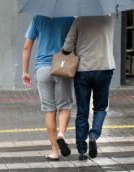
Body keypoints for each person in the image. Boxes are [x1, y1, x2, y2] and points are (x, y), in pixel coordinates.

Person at [62, 15, 115, 161]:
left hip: (83, 70)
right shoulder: (110, 19)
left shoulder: (79, 20)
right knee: (100, 107)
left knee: (82, 111)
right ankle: (93, 135)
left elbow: (67, 47)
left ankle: (81, 149)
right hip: (105, 67)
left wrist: (70, 50)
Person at [22, 15, 74, 161]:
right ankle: (61, 134)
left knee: (49, 110)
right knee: (65, 106)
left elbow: (27, 46)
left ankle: (54, 151)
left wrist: (25, 71)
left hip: (42, 69)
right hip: (62, 66)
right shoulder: (69, 19)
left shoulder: (38, 18)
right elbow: (75, 43)